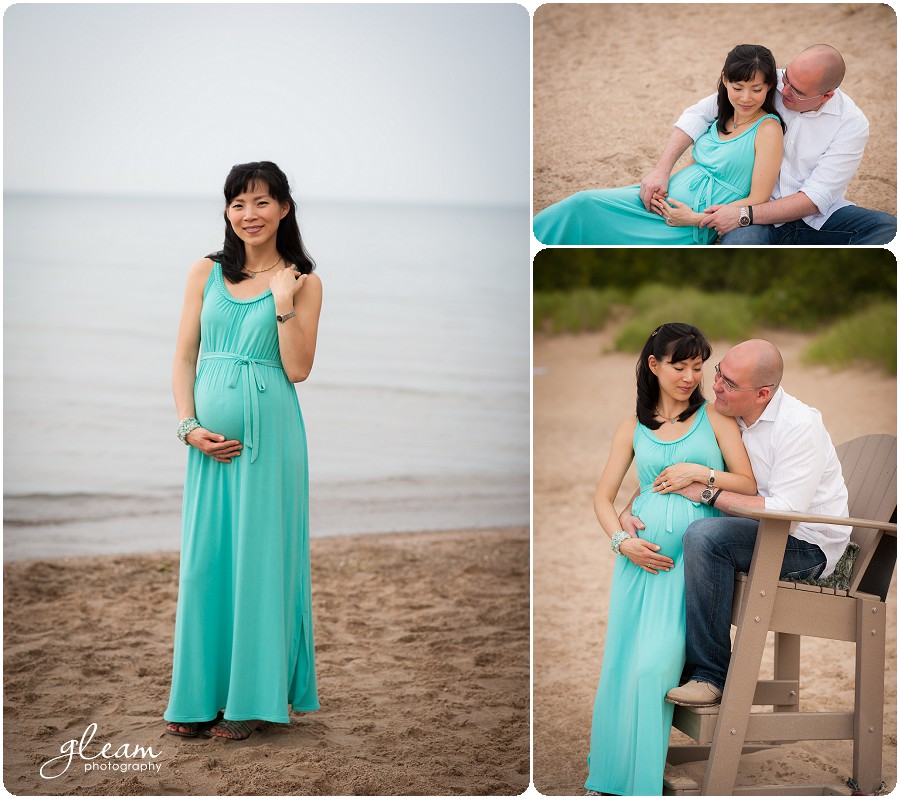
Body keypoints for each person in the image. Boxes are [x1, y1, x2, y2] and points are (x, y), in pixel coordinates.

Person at [163, 161, 323, 740]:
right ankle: (200, 698)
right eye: (237, 203)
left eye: (261, 202)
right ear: (227, 211)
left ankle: (253, 702)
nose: (248, 214)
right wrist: (188, 426)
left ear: (283, 208)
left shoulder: (303, 280)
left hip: (270, 441)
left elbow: (299, 369)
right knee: (207, 564)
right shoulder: (204, 272)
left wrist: (282, 300)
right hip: (208, 444)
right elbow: (184, 356)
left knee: (259, 565)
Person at [620, 340, 851, 708]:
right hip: (758, 531)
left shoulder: (798, 425)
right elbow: (679, 457)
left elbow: (785, 512)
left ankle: (709, 675)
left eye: (728, 383)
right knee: (685, 534)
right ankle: (668, 656)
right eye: (718, 374)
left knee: (705, 536)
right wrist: (632, 507)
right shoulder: (730, 415)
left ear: (761, 394)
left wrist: (705, 493)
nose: (714, 386)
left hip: (806, 545)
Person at [585, 323, 758, 795]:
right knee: (623, 662)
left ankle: (642, 779)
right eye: (679, 366)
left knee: (654, 666)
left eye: (698, 367)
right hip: (635, 561)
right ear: (653, 365)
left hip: (689, 561)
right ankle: (612, 774)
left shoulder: (715, 419)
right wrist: (622, 541)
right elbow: (603, 499)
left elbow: (748, 484)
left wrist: (701, 471)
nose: (689, 376)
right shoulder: (632, 427)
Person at [642, 44, 896, 244]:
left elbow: (815, 198)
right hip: (753, 215)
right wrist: (661, 169)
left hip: (813, 218)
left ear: (826, 96)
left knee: (887, 228)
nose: (783, 91)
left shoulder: (851, 123)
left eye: (797, 92)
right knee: (742, 250)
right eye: (786, 79)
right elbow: (699, 114)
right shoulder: (766, 83)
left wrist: (744, 214)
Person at [533, 44, 784, 245]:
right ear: (725, 81)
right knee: (582, 203)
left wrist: (693, 219)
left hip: (687, 222)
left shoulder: (768, 129)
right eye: (738, 87)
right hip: (661, 200)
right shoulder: (720, 116)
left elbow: (758, 198)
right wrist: (661, 183)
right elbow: (695, 164)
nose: (746, 98)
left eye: (756, 89)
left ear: (769, 86)